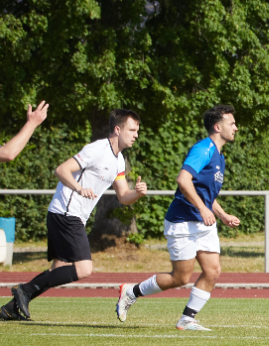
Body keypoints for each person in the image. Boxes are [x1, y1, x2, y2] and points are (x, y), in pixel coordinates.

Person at [1, 110, 147, 321]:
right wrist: (79, 188)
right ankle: (24, 289)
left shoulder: (119, 161)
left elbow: (124, 196)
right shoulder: (97, 149)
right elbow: (62, 170)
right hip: (66, 214)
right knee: (84, 268)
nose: (136, 135)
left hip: (68, 215)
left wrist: (137, 193)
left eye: (137, 131)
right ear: (118, 129)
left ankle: (10, 309)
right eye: (132, 130)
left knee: (59, 269)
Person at [116, 105, 241, 332]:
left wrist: (222, 215)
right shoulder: (204, 149)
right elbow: (183, 180)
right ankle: (131, 292)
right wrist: (203, 209)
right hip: (182, 221)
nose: (236, 128)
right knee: (180, 278)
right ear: (217, 126)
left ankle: (187, 319)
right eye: (231, 123)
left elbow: (205, 194)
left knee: (212, 271)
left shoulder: (219, 156)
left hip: (203, 223)